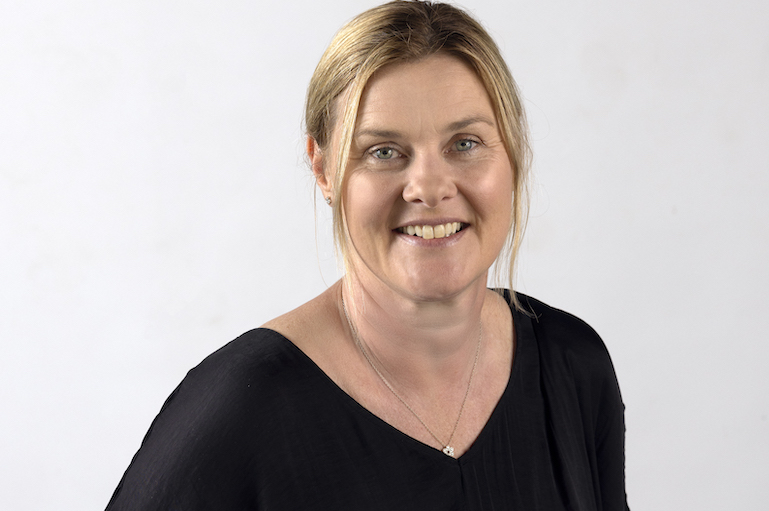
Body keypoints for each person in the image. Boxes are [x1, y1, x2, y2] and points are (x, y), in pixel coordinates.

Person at [106, 1, 629, 509]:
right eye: (384, 152)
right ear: (324, 170)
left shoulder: (572, 365)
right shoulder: (240, 406)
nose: (429, 187)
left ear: (512, 153)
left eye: (465, 143)